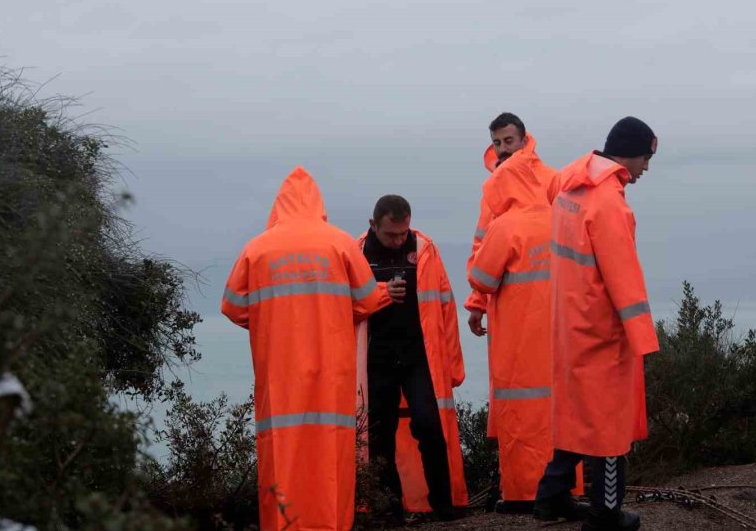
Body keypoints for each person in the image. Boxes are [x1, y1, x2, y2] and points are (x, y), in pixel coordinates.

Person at [221, 167, 395, 531]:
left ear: (279, 205)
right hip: (331, 374)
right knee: (330, 453)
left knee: (281, 453)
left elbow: (233, 307)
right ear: (318, 204)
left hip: (279, 375)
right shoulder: (340, 243)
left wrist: (271, 322)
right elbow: (367, 300)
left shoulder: (257, 248)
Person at [534, 117, 660, 531]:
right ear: (630, 154)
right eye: (645, 159)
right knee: (608, 425)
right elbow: (624, 278)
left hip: (567, 321)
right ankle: (606, 514)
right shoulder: (609, 203)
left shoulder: (570, 186)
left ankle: (551, 496)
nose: (646, 168)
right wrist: (643, 340)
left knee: (575, 414)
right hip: (600, 330)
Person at [467, 150, 585, 517]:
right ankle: (565, 489)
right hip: (560, 338)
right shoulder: (561, 218)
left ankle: (522, 493)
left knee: (520, 419)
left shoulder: (506, 225)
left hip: (517, 343)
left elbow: (481, 278)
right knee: (560, 414)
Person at [356, 195, 468, 522]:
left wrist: (453, 365)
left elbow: (446, 308)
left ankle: (444, 505)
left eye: (403, 233)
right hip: (376, 357)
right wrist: (382, 294)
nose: (398, 240)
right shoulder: (357, 252)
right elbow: (345, 305)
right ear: (373, 225)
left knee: (429, 425)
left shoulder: (424, 249)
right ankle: (388, 510)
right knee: (380, 435)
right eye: (391, 234)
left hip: (418, 356)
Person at [464, 112, 558, 458]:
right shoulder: (497, 185)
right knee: (525, 391)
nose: (503, 148)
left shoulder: (549, 180)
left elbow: (485, 259)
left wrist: (480, 293)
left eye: (508, 141)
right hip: (512, 301)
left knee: (528, 389)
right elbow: (482, 248)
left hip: (533, 304)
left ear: (524, 139)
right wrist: (478, 303)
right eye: (497, 143)